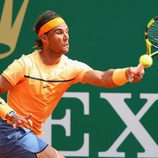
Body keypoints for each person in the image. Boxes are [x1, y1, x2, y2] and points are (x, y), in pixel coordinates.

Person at [0, 10, 144, 158]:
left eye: (67, 32)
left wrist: (127, 73)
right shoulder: (25, 65)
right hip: (7, 129)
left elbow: (102, 77)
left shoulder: (71, 68)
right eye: (59, 32)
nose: (66, 37)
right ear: (44, 37)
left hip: (22, 134)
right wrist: (10, 114)